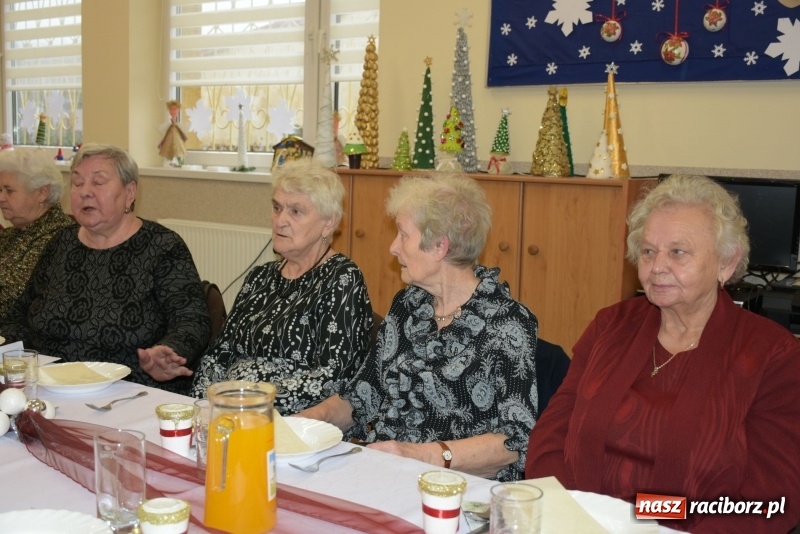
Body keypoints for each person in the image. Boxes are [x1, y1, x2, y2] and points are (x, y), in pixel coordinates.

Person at [525, 175, 800, 533]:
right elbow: (553, 432)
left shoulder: (773, 356)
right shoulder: (611, 326)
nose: (657, 267)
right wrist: (569, 512)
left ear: (726, 263)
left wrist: (644, 521)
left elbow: (771, 498)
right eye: (648, 251)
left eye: (678, 252)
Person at [297, 172, 539, 482]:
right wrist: (308, 421)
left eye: (403, 234)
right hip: (383, 471)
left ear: (439, 246)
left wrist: (419, 456)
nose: (393, 248)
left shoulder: (508, 323)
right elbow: (362, 395)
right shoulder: (408, 305)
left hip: (454, 490)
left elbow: (515, 443)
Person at [0, 144, 210, 395]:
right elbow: (19, 314)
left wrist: (169, 352)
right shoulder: (61, 243)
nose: (85, 192)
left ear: (130, 192)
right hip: (49, 387)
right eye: (77, 183)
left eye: (98, 182)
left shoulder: (162, 247)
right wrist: (14, 355)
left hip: (130, 391)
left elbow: (192, 320)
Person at [191, 159, 373, 415]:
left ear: (329, 223)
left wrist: (252, 403)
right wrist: (201, 405)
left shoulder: (342, 278)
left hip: (290, 422)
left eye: (295, 211)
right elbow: (219, 353)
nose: (280, 221)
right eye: (277, 208)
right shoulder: (260, 277)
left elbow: (334, 375)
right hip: (230, 411)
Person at [0, 150, 74, 316]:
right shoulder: (10, 235)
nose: (1, 198)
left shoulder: (61, 238)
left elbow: (13, 300)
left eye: (9, 191)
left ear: (42, 192)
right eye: (0, 190)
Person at [158, 100, 187, 167]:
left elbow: (184, 135)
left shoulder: (180, 125)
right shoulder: (168, 125)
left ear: (178, 110)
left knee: (179, 160)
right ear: (169, 110)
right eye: (171, 109)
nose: (173, 111)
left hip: (178, 146)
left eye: (175, 109)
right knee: (168, 160)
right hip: (168, 146)